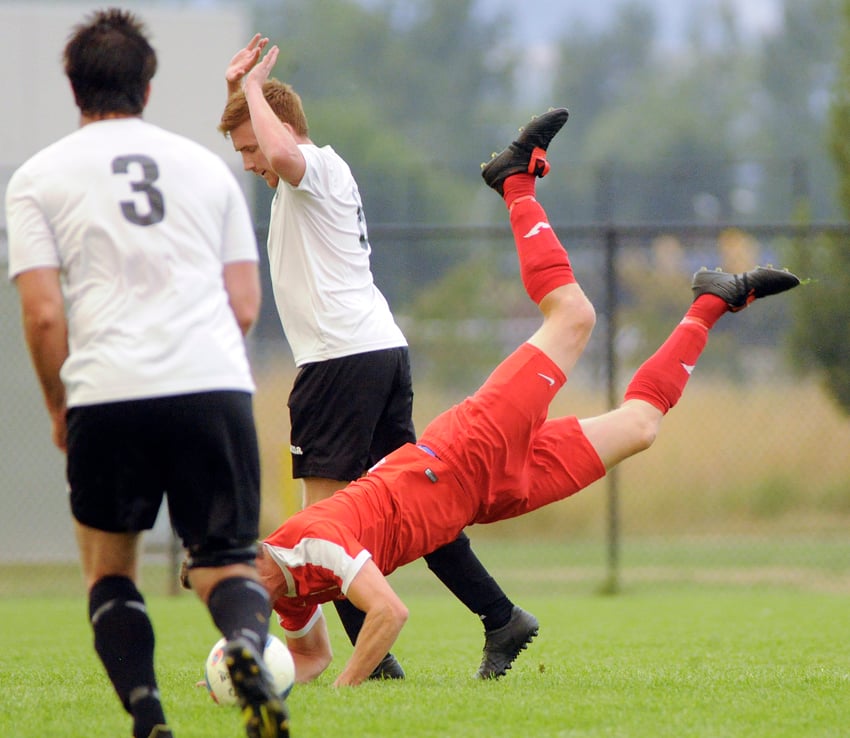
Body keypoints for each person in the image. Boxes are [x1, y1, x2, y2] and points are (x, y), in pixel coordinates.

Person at [252, 107, 801, 687]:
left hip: (464, 451)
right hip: (485, 493)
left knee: (573, 316)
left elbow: (385, 610)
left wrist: (345, 692)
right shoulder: (291, 586)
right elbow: (309, 655)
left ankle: (516, 180)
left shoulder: (308, 540)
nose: (238, 603)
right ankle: (713, 300)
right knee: (641, 427)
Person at [5, 10, 288, 738]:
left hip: (108, 390)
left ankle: (149, 716)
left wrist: (59, 405)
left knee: (110, 573)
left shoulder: (37, 178)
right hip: (212, 383)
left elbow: (42, 315)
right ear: (149, 86)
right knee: (224, 562)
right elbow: (245, 304)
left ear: (74, 88)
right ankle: (249, 650)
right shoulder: (209, 169)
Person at [216, 36, 536, 679]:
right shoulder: (309, 179)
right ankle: (501, 618)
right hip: (375, 352)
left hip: (341, 364)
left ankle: (376, 661)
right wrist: (237, 92)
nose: (250, 164)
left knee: (320, 529)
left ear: (277, 129)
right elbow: (270, 145)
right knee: (416, 509)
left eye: (249, 148)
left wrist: (252, 90)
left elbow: (279, 147)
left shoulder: (310, 167)